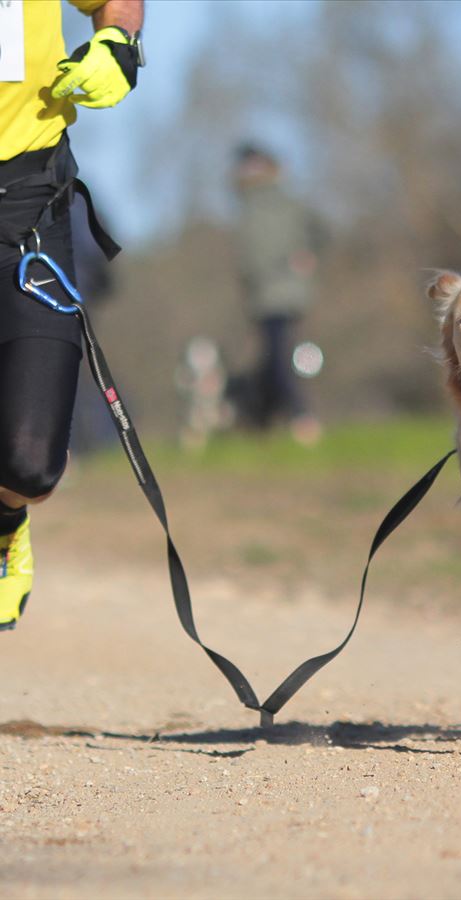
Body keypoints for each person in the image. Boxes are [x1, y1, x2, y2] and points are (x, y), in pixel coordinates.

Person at [0, 0, 144, 629]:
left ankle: (5, 521)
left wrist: (117, 43)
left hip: (27, 205)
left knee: (32, 464)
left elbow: (120, 4)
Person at [232, 143, 324, 445]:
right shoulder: (248, 205)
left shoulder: (281, 203)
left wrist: (307, 253)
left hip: (282, 292)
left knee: (280, 357)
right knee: (271, 357)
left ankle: (301, 416)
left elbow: (319, 231)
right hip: (265, 293)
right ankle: (260, 420)